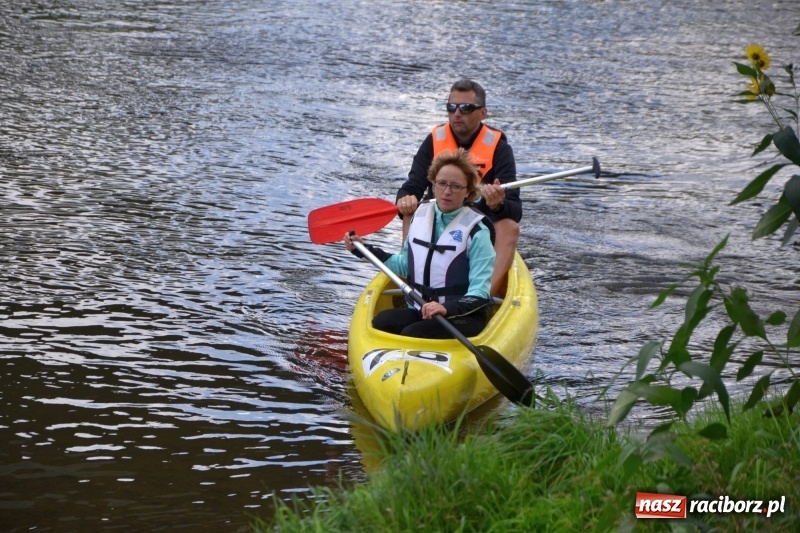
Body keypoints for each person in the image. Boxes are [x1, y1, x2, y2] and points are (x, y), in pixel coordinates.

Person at [344, 149, 495, 339]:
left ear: (468, 192)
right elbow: (404, 265)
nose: (447, 192)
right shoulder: (421, 216)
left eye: (456, 186)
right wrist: (363, 249)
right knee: (382, 322)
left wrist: (445, 308)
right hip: (421, 309)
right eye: (441, 184)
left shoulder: (477, 231)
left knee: (412, 333)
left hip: (463, 315)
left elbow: (480, 293)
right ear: (433, 184)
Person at [396, 79, 520, 297]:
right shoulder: (433, 141)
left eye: (466, 108)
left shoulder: (500, 148)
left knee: (509, 226)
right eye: (451, 107)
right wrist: (406, 198)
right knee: (409, 213)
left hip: (479, 226)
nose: (457, 114)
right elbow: (413, 185)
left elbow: (514, 209)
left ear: (483, 113)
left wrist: (498, 204)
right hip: (440, 218)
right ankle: (413, 287)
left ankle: (480, 299)